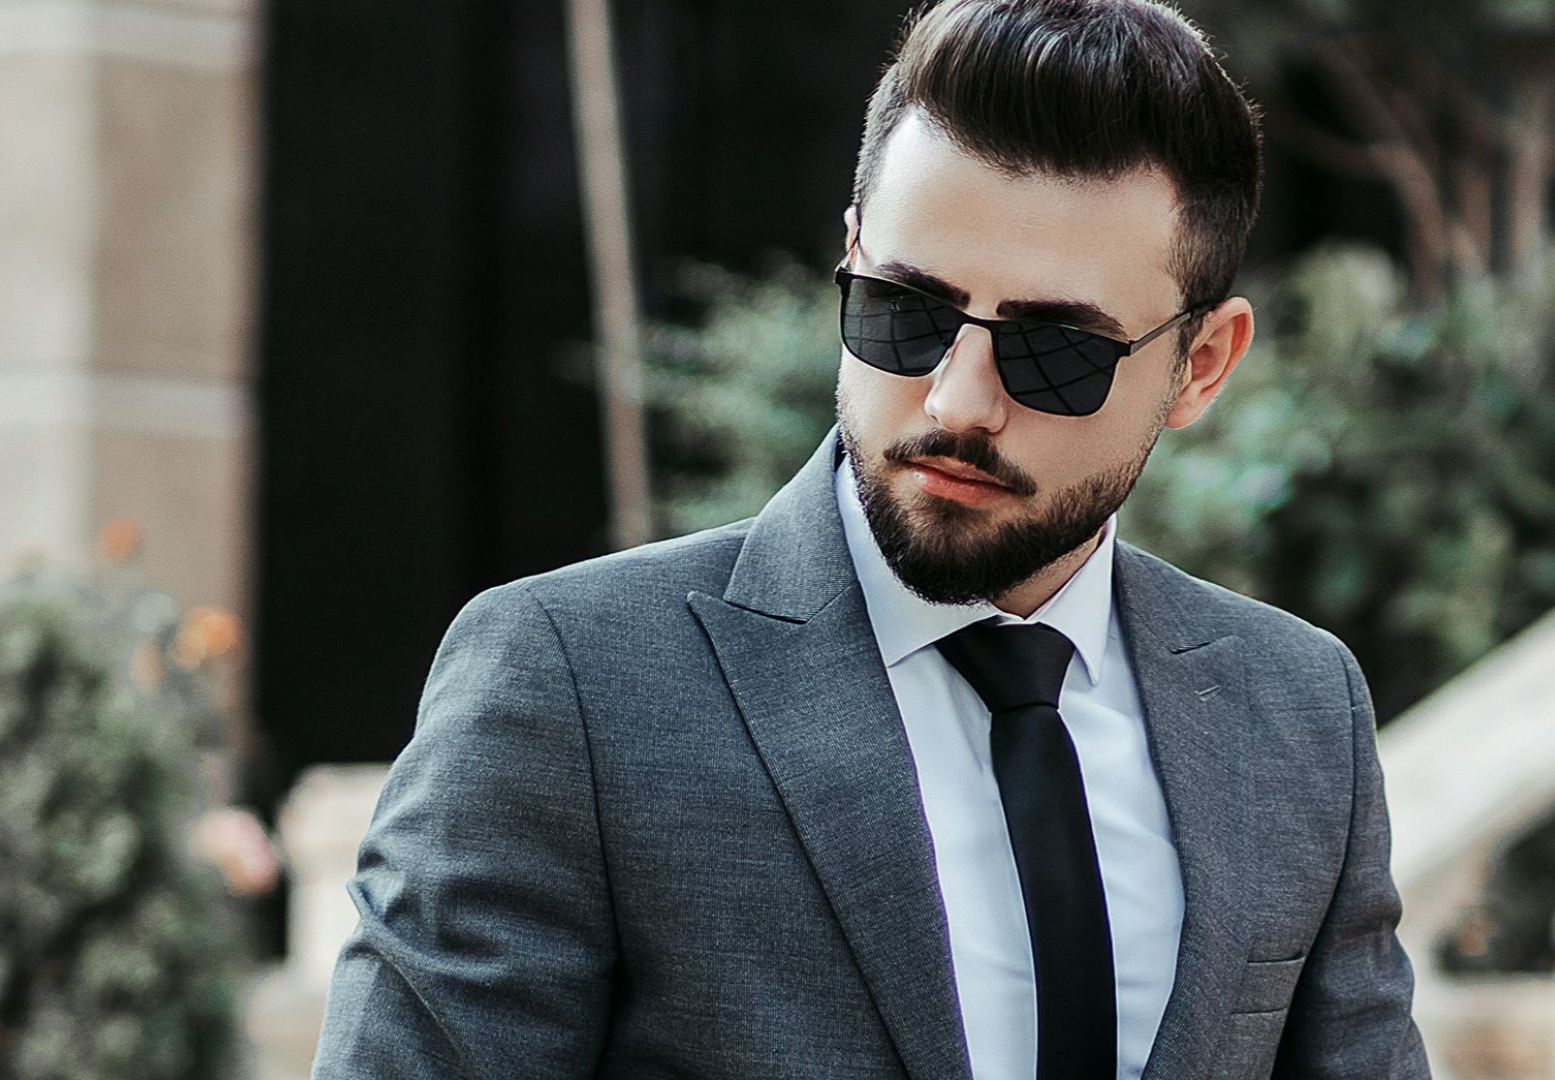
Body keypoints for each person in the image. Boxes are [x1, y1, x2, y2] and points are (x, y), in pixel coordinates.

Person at [310, 0, 1431, 1076]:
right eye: (907, 312)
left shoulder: (1293, 713)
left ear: (1201, 365)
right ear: (850, 257)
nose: (958, 401)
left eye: (1057, 353)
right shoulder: (569, 688)